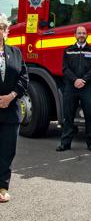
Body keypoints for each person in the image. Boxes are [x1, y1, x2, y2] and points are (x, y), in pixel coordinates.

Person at [0, 13, 29, 202]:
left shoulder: (16, 52)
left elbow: (24, 78)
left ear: (5, 31)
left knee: (7, 150)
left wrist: (10, 96)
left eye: (1, 28)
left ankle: (2, 187)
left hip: (11, 110)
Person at [57, 26, 91, 152]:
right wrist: (75, 80)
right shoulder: (68, 50)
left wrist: (83, 80)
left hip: (86, 88)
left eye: (84, 33)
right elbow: (65, 69)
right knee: (68, 116)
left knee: (89, 116)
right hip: (71, 87)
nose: (81, 35)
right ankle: (65, 143)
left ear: (87, 35)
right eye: (79, 33)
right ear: (74, 35)